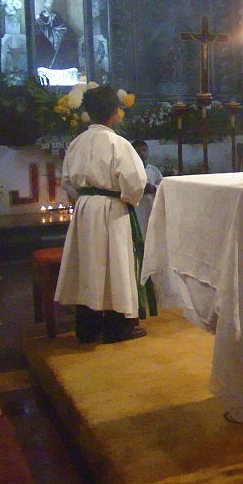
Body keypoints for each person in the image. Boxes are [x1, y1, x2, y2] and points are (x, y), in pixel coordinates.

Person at [54, 86, 154, 344]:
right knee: (114, 266)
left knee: (89, 265)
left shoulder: (76, 143)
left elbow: (67, 181)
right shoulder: (118, 143)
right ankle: (116, 327)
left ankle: (87, 327)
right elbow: (135, 182)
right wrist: (127, 201)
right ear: (115, 113)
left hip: (86, 209)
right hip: (112, 209)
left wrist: (85, 200)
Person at [34, 0, 77, 70]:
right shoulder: (39, 19)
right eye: (48, 3)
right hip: (44, 47)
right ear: (44, 4)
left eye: (52, 3)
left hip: (58, 48)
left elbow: (65, 28)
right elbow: (35, 33)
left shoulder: (58, 17)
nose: (50, 5)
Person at [131, 140, 163, 240]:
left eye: (144, 150)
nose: (142, 153)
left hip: (151, 205)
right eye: (138, 151)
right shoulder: (129, 170)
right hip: (137, 208)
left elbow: (162, 186)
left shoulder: (153, 170)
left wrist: (153, 188)